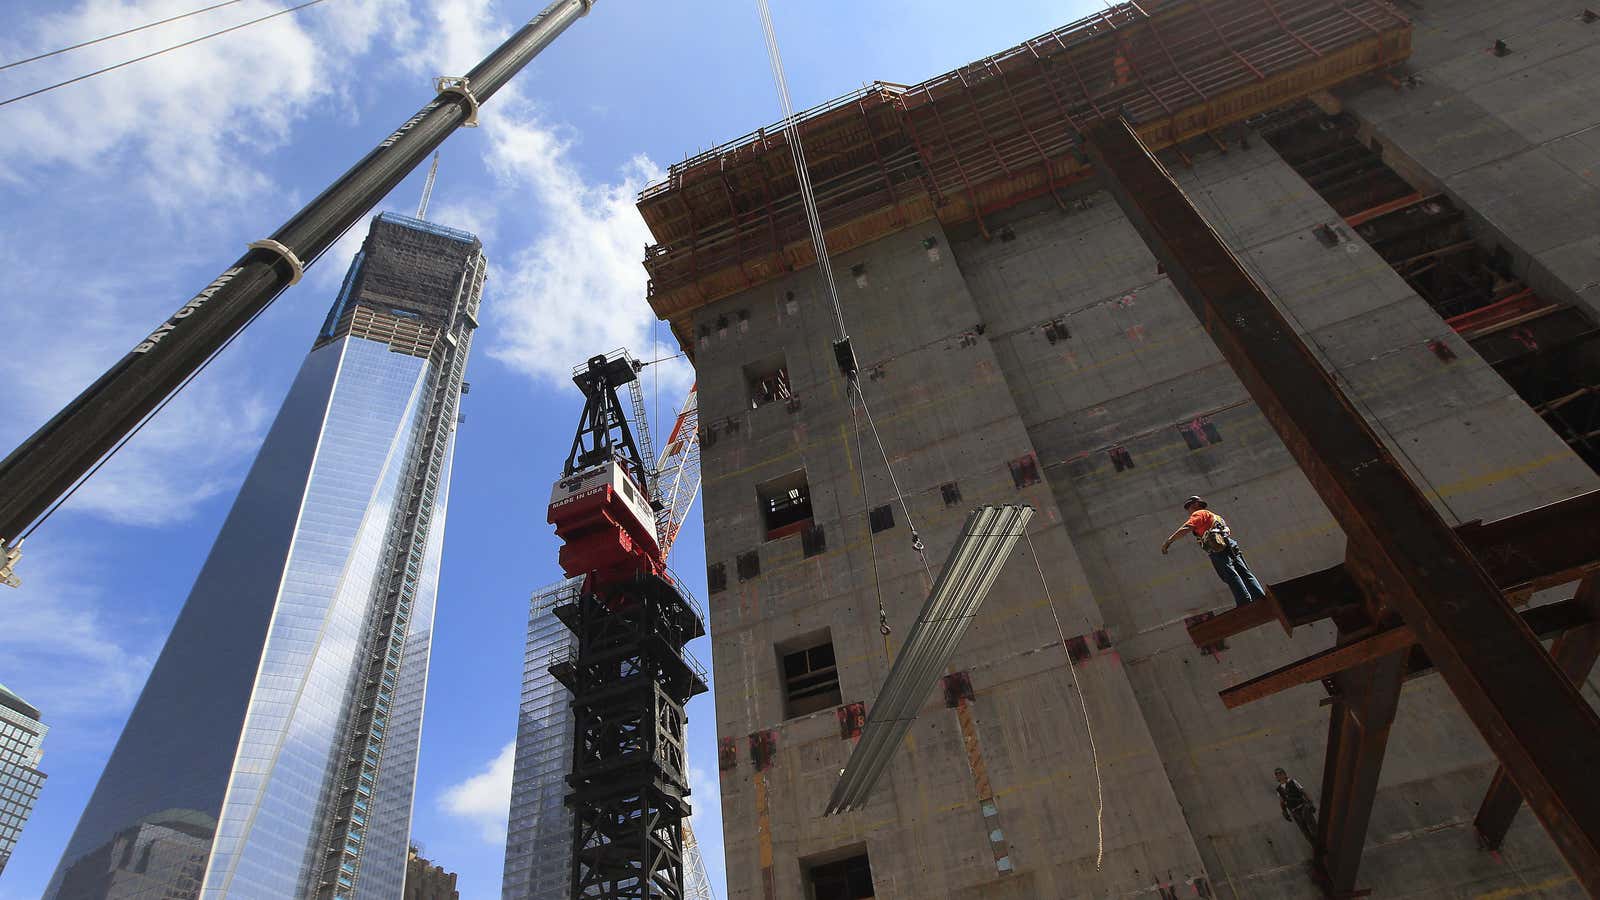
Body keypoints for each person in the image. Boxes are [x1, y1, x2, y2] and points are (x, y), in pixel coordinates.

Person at [1161, 495, 1268, 607]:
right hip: (1229, 544)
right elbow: (1227, 531)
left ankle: (1244, 601)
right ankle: (1259, 597)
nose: (1188, 510)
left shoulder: (1199, 514)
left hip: (1217, 547)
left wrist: (1169, 541)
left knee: (1230, 575)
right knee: (1244, 572)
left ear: (1196, 505)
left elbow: (1186, 528)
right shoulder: (1216, 517)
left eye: (1189, 507)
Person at [1274, 767, 1318, 844]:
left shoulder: (1293, 781)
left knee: (1313, 827)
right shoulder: (1279, 789)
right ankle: (1315, 846)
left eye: (1281, 774)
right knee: (1305, 831)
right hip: (1294, 812)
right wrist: (1285, 813)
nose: (1279, 776)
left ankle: (1321, 843)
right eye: (1277, 775)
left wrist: (1310, 802)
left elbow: (1303, 791)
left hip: (1303, 807)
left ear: (1285, 774)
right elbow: (1282, 802)